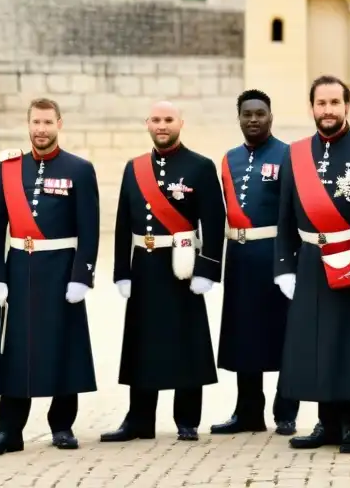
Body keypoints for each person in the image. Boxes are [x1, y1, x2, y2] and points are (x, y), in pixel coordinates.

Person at [0, 97, 100, 457]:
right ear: (27, 125)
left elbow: (89, 229)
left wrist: (82, 275)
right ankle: (8, 430)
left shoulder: (79, 168)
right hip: (18, 270)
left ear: (59, 123)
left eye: (47, 122)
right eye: (35, 123)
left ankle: (62, 425)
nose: (41, 129)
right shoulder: (10, 168)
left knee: (64, 344)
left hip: (61, 269)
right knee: (14, 348)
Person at [273, 75, 350, 454]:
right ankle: (325, 424)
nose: (328, 110)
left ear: (347, 106)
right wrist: (283, 265)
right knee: (316, 343)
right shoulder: (296, 153)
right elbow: (286, 215)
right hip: (308, 260)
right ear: (312, 108)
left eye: (335, 103)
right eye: (321, 104)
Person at [100, 100, 225, 443]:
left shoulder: (200, 166)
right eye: (156, 119)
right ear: (147, 124)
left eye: (168, 119)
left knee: (187, 340)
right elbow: (123, 222)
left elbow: (214, 222)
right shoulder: (134, 167)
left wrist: (208, 269)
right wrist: (121, 271)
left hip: (181, 267)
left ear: (180, 123)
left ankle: (187, 420)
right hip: (144, 265)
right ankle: (139, 419)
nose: (162, 125)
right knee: (142, 342)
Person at [210, 90, 299, 436]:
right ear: (239, 117)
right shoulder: (229, 159)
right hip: (240, 257)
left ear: (271, 116)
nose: (253, 120)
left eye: (260, 113)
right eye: (247, 114)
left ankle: (286, 411)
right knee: (243, 335)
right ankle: (248, 410)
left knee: (283, 334)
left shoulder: (288, 155)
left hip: (276, 255)